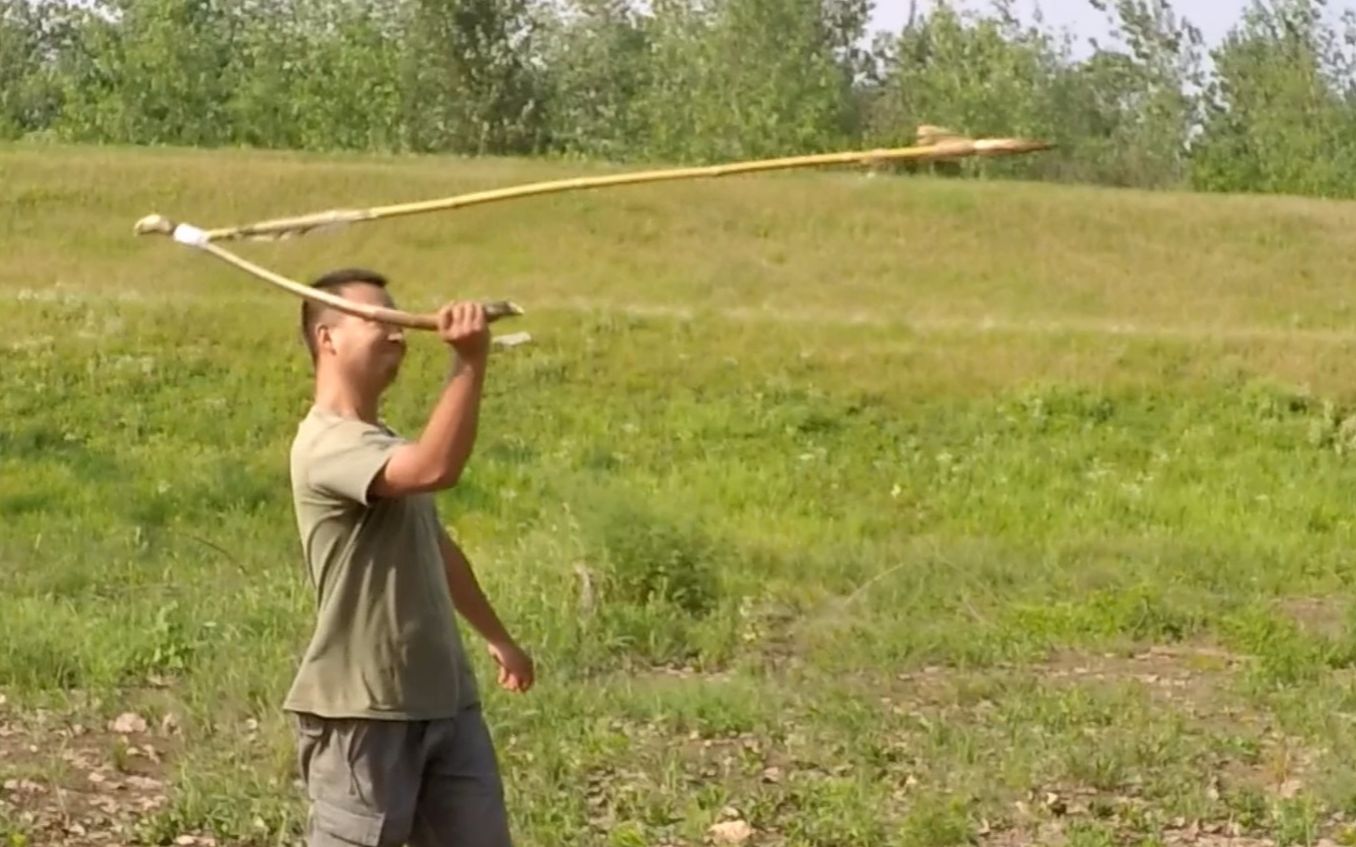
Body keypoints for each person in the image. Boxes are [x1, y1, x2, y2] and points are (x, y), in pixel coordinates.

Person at [284, 267, 534, 847]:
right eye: (381, 321)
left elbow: (436, 549)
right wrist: (469, 362)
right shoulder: (326, 445)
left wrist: (498, 637)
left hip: (444, 700)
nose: (400, 335)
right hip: (363, 711)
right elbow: (436, 469)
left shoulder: (382, 442)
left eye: (401, 323)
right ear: (328, 338)